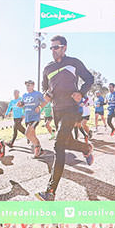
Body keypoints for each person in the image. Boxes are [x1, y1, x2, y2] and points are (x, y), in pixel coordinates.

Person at [37, 35, 95, 201]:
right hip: (57, 110)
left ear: (64, 48)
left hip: (71, 109)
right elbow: (45, 89)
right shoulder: (47, 68)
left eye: (56, 47)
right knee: (67, 142)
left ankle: (50, 191)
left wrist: (81, 92)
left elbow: (89, 78)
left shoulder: (73, 62)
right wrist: (45, 96)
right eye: (51, 47)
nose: (53, 50)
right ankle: (86, 149)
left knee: (58, 145)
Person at [21, 80, 46, 158]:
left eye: (29, 85)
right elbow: (23, 104)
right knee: (32, 134)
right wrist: (20, 105)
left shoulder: (38, 94)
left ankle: (38, 147)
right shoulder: (24, 95)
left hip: (35, 117)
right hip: (27, 118)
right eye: (26, 85)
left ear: (33, 85)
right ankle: (39, 150)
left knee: (27, 134)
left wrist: (39, 107)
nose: (27, 87)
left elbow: (45, 102)